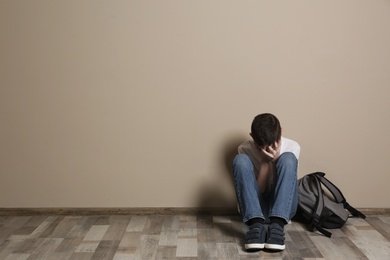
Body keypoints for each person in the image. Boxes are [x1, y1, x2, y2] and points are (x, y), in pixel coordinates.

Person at [232, 113, 300, 251]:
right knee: (240, 161)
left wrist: (275, 163)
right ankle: (256, 225)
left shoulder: (293, 147)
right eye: (262, 146)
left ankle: (277, 225)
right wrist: (264, 162)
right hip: (255, 210)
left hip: (284, 210)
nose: (269, 149)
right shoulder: (245, 149)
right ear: (252, 137)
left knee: (288, 158)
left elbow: (282, 191)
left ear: (280, 131)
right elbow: (258, 191)